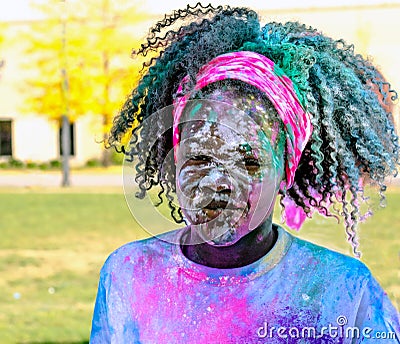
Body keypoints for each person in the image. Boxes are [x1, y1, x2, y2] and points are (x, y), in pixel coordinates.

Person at [90, 4, 400, 343]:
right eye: (199, 158)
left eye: (248, 162)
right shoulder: (130, 274)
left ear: (286, 170)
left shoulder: (343, 290)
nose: (217, 184)